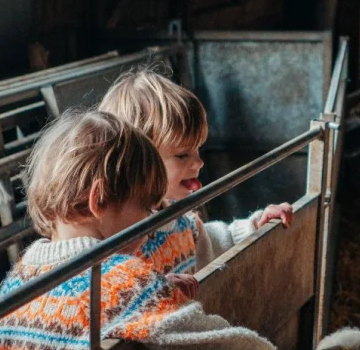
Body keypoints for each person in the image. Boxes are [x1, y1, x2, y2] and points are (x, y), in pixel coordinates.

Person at [0, 111, 360, 350]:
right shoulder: (122, 282)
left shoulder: (23, 274)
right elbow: (220, 347)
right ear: (99, 201)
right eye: (146, 209)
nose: (152, 220)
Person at [98, 69, 293, 296]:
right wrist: (154, 290)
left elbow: (213, 244)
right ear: (135, 162)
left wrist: (256, 227)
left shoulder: (179, 220)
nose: (199, 163)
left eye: (198, 149)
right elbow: (105, 297)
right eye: (182, 155)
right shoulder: (117, 236)